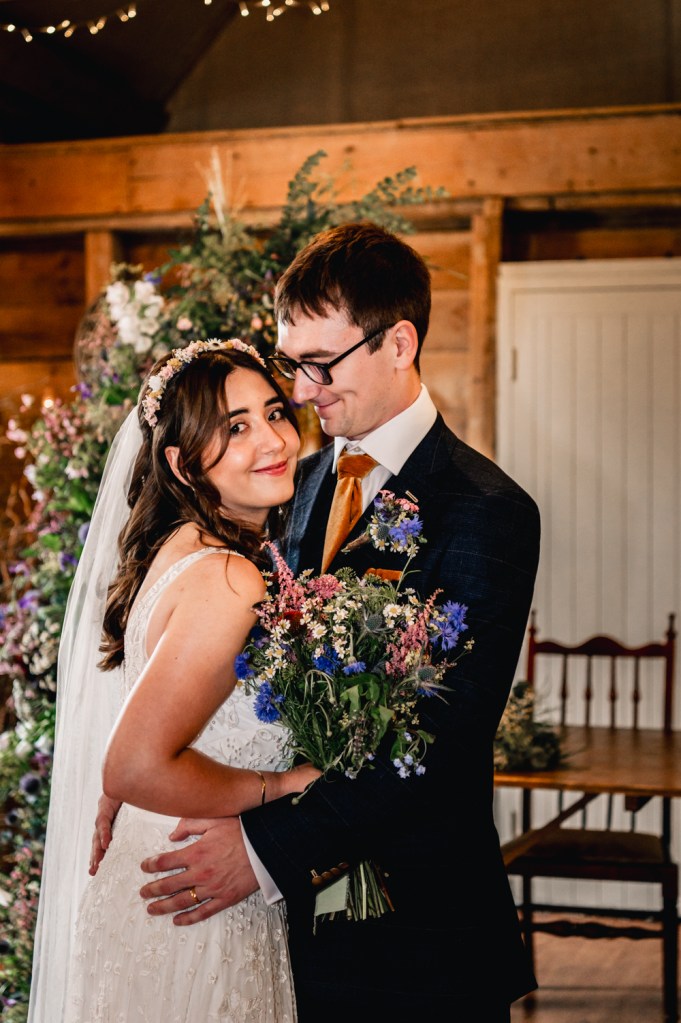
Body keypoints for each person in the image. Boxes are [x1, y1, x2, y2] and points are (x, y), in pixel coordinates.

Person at [115, 222, 541, 1021]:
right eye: (291, 365)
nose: (301, 393)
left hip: (418, 938)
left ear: (398, 343)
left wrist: (263, 849)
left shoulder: (486, 510)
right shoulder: (291, 483)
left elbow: (440, 743)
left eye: (319, 365)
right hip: (282, 941)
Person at [28, 339, 320, 1023]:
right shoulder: (229, 576)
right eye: (235, 428)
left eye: (273, 412)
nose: (274, 438)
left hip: (163, 874)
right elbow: (133, 761)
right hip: (193, 893)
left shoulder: (179, 547)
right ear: (182, 463)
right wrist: (278, 786)